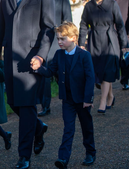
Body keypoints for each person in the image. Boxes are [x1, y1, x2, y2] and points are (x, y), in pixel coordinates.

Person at [0, 0, 55, 169]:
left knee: (26, 106)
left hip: (31, 59)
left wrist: (41, 55)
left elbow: (48, 28)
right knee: (14, 102)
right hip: (9, 59)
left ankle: (23, 155)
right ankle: (38, 127)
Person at [35, 22, 96, 168]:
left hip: (82, 99)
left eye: (63, 39)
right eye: (58, 39)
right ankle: (63, 158)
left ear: (74, 38)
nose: (59, 42)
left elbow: (90, 78)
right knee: (68, 129)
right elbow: (50, 72)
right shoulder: (59, 55)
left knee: (86, 127)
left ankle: (90, 152)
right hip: (67, 99)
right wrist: (38, 68)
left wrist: (88, 99)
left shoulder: (84, 55)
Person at [78, 0, 128, 113]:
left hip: (110, 41)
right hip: (94, 41)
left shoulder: (112, 4)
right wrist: (81, 44)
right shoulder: (89, 6)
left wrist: (124, 44)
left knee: (108, 71)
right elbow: (83, 25)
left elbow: (120, 25)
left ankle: (103, 101)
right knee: (98, 72)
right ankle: (110, 96)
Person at [37, 0, 72, 117]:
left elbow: (68, 19)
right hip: (42, 41)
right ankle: (45, 106)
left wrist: (64, 38)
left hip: (59, 40)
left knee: (62, 74)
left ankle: (72, 100)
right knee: (44, 75)